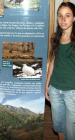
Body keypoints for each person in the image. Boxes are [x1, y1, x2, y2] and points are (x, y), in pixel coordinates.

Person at [45, 2, 75, 140]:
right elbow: (52, 61)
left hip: (72, 92)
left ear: (74, 18)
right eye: (60, 16)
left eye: (67, 16)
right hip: (55, 89)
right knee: (58, 125)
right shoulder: (54, 38)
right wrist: (47, 84)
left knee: (71, 130)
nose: (63, 20)